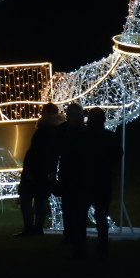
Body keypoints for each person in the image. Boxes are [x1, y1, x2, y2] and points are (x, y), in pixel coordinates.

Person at [15, 103, 64, 236]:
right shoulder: (58, 129)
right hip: (45, 170)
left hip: (36, 169)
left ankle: (30, 228)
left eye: (43, 111)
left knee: (26, 197)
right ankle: (37, 227)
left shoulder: (45, 129)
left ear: (47, 113)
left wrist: (30, 170)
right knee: (40, 199)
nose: (41, 114)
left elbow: (37, 151)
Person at [85, 107, 122, 258]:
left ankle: (79, 246)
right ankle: (103, 245)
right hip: (103, 179)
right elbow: (119, 154)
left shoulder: (81, 136)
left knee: (81, 213)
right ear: (104, 120)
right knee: (102, 214)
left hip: (84, 179)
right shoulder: (110, 137)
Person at [56, 103, 89, 257]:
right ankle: (70, 235)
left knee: (78, 208)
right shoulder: (64, 131)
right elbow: (56, 151)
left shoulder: (84, 132)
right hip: (69, 174)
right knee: (68, 207)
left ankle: (77, 238)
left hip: (80, 174)